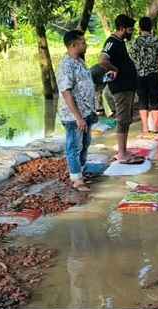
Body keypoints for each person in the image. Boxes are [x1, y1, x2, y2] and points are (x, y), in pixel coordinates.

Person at [56, 30, 97, 192]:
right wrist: (78, 117)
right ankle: (76, 179)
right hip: (73, 115)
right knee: (73, 146)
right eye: (83, 42)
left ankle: (81, 170)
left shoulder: (79, 61)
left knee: (85, 143)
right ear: (73, 45)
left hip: (85, 112)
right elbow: (66, 92)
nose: (85, 45)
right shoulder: (66, 65)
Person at [99, 14, 143, 164]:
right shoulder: (112, 42)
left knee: (126, 120)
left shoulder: (120, 41)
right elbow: (103, 60)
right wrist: (116, 69)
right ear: (122, 28)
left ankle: (123, 150)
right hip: (121, 88)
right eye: (130, 29)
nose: (132, 32)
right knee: (123, 120)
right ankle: (122, 154)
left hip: (127, 87)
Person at [130, 16, 158, 134]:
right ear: (151, 27)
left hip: (140, 75)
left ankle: (145, 128)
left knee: (142, 100)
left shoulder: (135, 42)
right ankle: (155, 127)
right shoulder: (156, 41)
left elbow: (131, 59)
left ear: (140, 27)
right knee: (155, 100)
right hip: (153, 75)